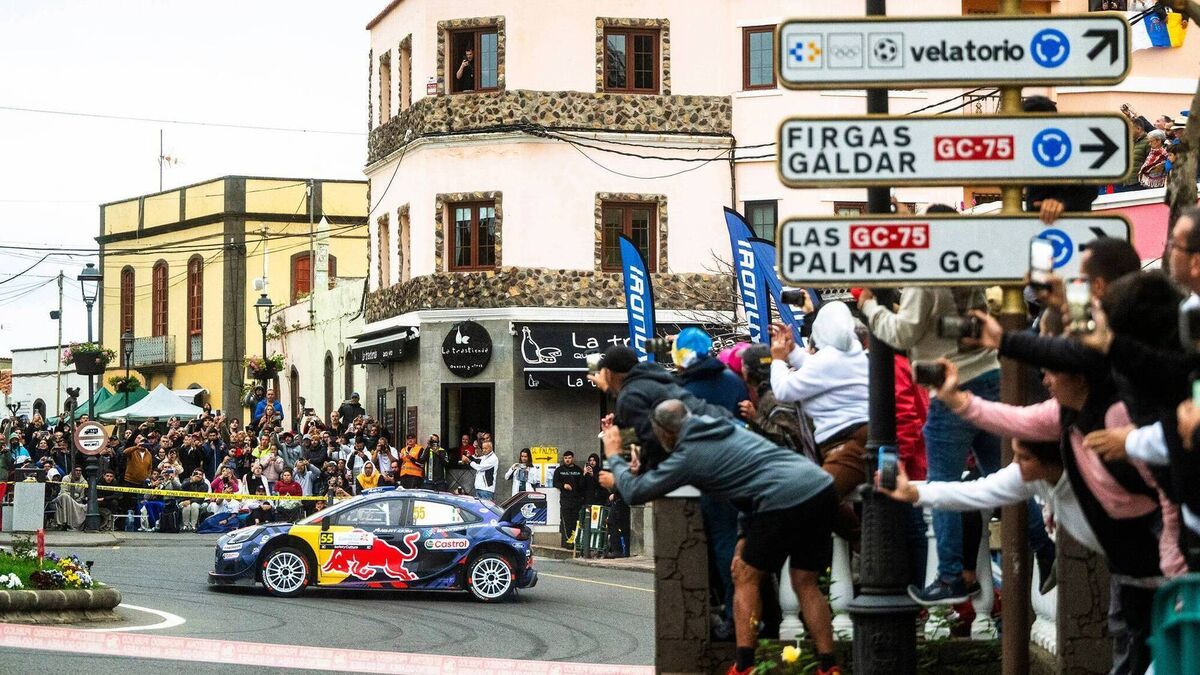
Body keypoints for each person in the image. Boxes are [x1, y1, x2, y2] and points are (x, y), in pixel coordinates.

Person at [599, 401, 841, 675]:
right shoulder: (722, 426)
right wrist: (744, 534)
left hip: (781, 497)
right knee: (805, 582)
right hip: (821, 487)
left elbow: (634, 492)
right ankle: (829, 666)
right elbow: (749, 476)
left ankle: (744, 666)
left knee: (745, 576)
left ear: (666, 432)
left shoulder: (689, 455)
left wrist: (614, 455)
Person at [552, 450, 584, 547]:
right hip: (565, 499)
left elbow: (582, 484)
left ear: (573, 458)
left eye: (569, 458)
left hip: (577, 500)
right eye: (565, 458)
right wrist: (563, 485)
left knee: (575, 521)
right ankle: (567, 541)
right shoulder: (559, 470)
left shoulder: (578, 470)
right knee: (566, 521)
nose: (567, 460)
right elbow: (555, 483)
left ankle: (575, 541)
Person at [52, 465, 87, 530]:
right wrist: (75, 495)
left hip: (76, 502)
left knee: (84, 506)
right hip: (63, 499)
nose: (78, 472)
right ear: (72, 471)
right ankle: (63, 523)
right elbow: (63, 491)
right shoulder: (66, 478)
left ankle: (72, 524)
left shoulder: (84, 482)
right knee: (64, 496)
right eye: (76, 470)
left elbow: (82, 496)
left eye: (80, 470)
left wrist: (74, 500)